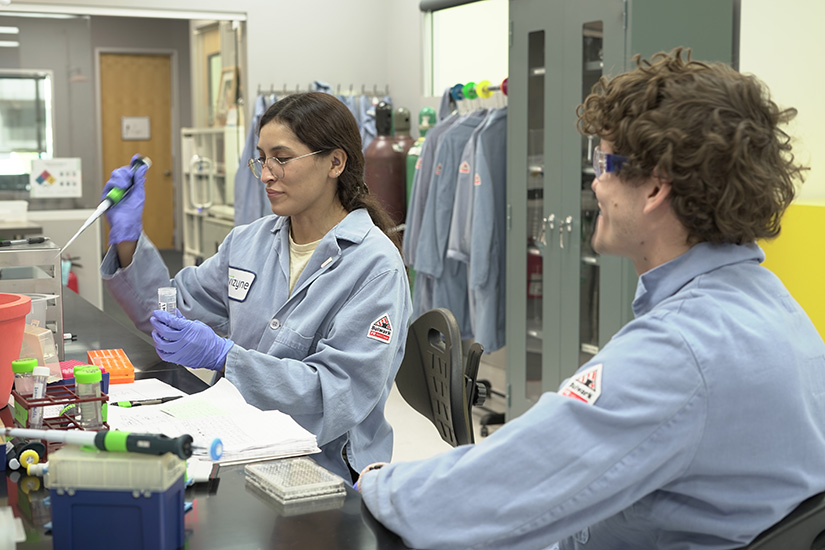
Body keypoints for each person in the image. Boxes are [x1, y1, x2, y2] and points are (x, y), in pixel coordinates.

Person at [356, 49, 825, 549]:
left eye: (604, 162)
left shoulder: (680, 349)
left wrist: (380, 483)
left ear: (655, 189)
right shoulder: (777, 308)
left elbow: (510, 482)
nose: (595, 183)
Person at [100, 92, 413, 481]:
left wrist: (227, 358)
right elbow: (168, 311)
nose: (266, 174)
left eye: (281, 158)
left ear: (335, 162)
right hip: (233, 438)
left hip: (320, 462)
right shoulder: (249, 243)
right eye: (262, 159)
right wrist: (127, 236)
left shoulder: (374, 267)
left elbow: (337, 392)